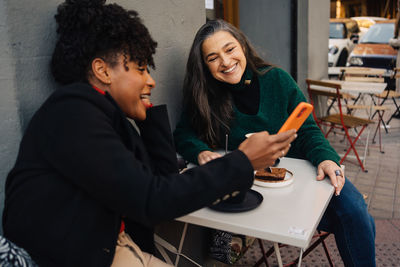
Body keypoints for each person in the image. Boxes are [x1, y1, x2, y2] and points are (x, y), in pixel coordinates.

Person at [2, 1, 297, 267]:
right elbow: (153, 201)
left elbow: (163, 182)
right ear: (103, 71)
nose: (151, 80)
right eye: (141, 69)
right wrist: (243, 161)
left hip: (111, 246)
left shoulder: (108, 118)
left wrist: (148, 117)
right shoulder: (73, 113)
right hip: (84, 255)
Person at [174, 19, 376, 266]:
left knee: (354, 211)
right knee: (354, 221)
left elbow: (309, 129)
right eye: (213, 58)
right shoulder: (204, 95)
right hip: (250, 189)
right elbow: (183, 134)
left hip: (300, 180)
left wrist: (325, 157)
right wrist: (201, 152)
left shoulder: (276, 80)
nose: (225, 62)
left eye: (229, 49)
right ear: (204, 66)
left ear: (243, 47)